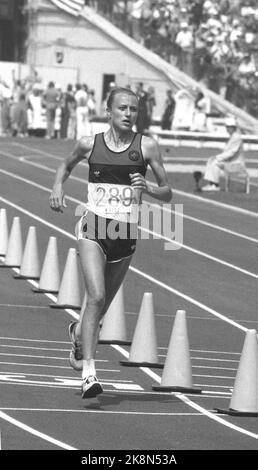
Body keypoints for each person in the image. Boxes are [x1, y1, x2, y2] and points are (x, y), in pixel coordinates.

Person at [49, 86, 172, 399]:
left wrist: (148, 188)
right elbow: (65, 164)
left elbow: (167, 191)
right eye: (123, 108)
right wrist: (57, 187)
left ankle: (78, 333)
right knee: (97, 295)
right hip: (92, 228)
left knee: (98, 308)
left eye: (133, 109)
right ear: (109, 110)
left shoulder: (147, 147)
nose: (129, 114)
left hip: (125, 235)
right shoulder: (89, 144)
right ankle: (89, 374)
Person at [201, 116, 245, 191]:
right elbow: (228, 152)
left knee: (215, 162)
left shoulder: (236, 137)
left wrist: (218, 157)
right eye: (227, 127)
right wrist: (217, 157)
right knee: (211, 160)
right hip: (230, 161)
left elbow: (232, 153)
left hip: (236, 163)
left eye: (229, 127)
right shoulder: (232, 137)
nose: (227, 129)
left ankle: (215, 185)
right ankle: (211, 183)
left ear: (233, 128)